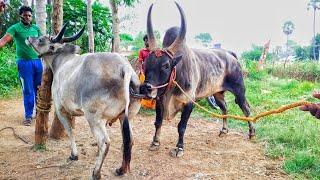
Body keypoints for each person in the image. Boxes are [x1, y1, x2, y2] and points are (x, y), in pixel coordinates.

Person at [0, 6, 43, 126]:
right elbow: (3, 41)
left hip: (38, 63)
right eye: (25, 15)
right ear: (21, 16)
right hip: (24, 64)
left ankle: (40, 113)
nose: (27, 17)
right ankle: (28, 116)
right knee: (28, 90)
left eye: (29, 15)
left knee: (39, 89)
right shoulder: (15, 28)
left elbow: (42, 43)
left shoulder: (36, 28)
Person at [138, 35, 156, 109]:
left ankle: (153, 105)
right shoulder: (142, 51)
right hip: (144, 72)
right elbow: (140, 62)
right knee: (142, 86)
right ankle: (143, 103)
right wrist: (141, 71)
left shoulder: (154, 51)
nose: (147, 42)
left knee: (154, 87)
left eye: (148, 40)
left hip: (153, 73)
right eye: (145, 40)